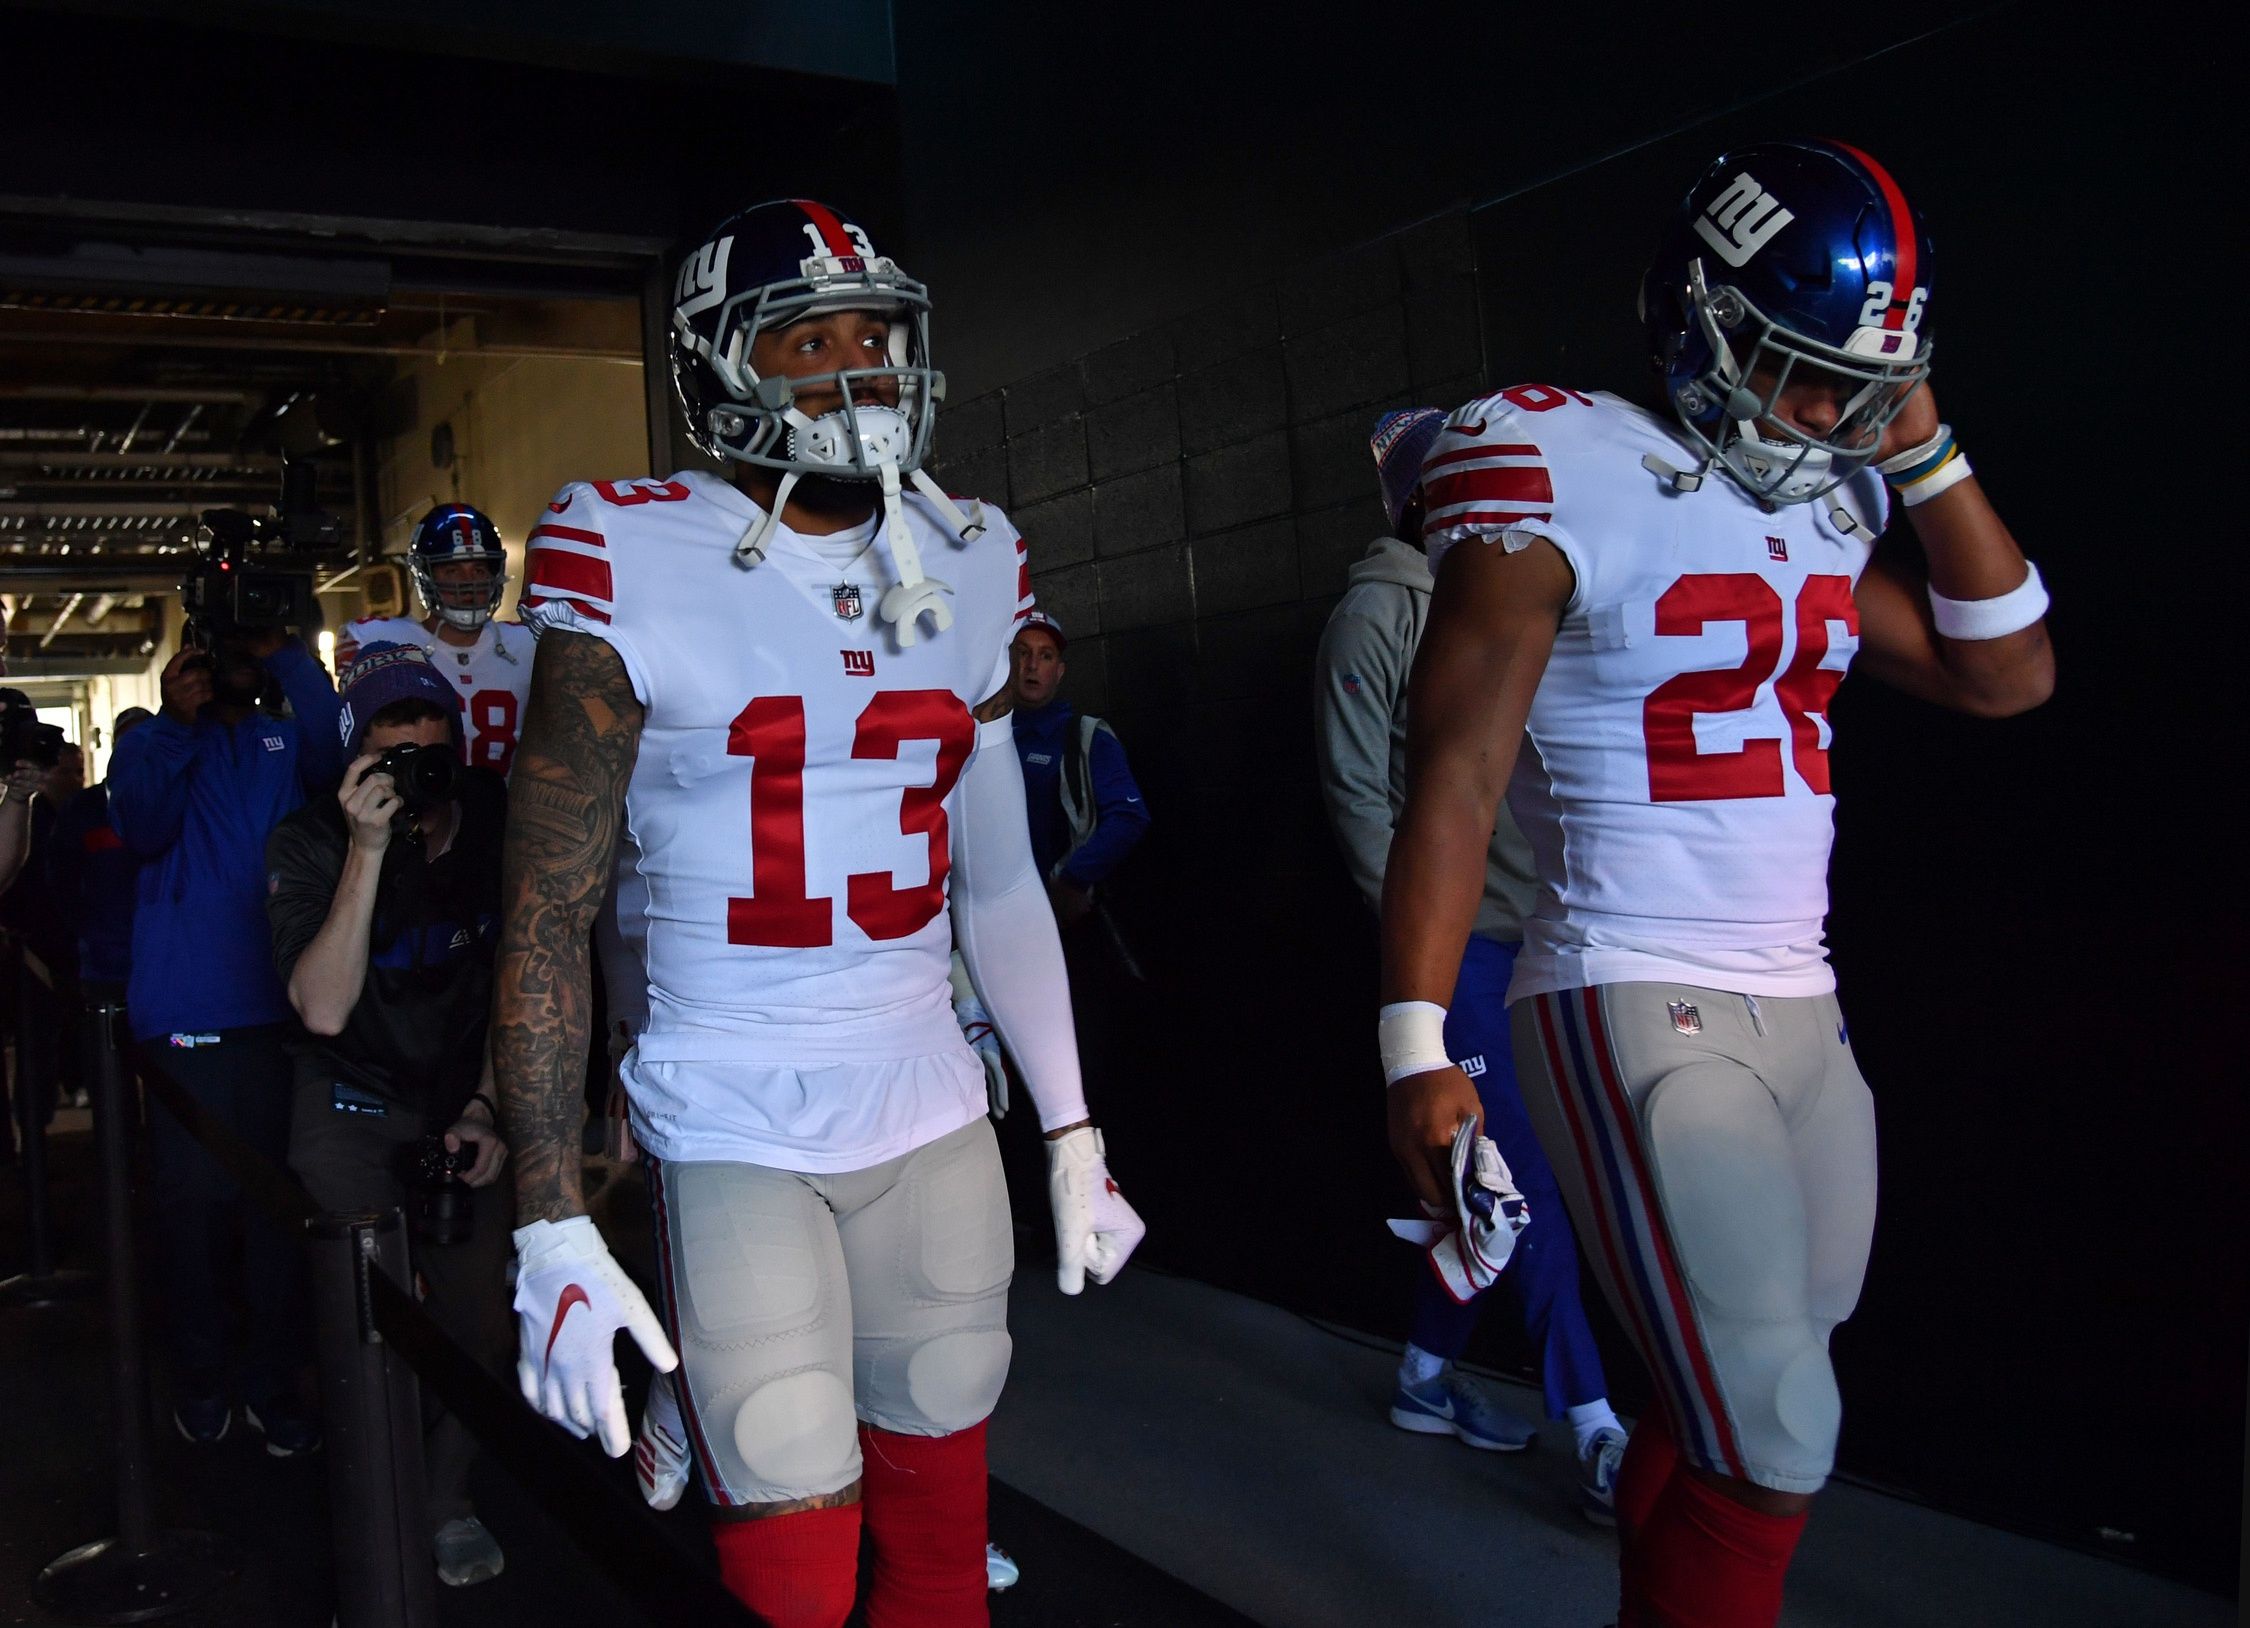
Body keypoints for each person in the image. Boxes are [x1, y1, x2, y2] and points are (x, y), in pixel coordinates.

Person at [1379, 140, 2053, 1627]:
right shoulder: (1549, 454)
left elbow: (2004, 671)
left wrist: (1921, 448)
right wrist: (1415, 1040)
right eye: (1803, 372)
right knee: (1775, 1427)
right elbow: (1457, 770)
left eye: (1858, 383)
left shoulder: (1827, 500)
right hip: (1626, 984)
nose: (1828, 413)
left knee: (1739, 1392)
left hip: (1799, 1001)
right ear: (1699, 318)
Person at [494, 198, 1144, 1628]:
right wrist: (548, 1216)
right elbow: (545, 905)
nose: (857, 365)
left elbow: (996, 877)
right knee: (790, 1474)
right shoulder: (629, 547)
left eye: (877, 332)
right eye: (808, 335)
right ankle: (705, 1396)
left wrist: (1072, 1124)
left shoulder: (967, 549)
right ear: (723, 365)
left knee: (941, 1464)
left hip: (927, 1091)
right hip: (727, 1098)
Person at [1315, 408, 1626, 1520]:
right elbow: (1359, 791)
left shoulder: (1502, 591)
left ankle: (1423, 1378)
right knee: (1522, 1181)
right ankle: (1596, 1424)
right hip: (1464, 951)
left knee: (1483, 1184)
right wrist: (1419, 967)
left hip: (1544, 930)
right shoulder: (1379, 609)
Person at [266, 643, 512, 1585]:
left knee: (485, 1323)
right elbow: (322, 1006)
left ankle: (444, 1497)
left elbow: (520, 976)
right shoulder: (308, 841)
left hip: (461, 1101)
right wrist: (369, 851)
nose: (417, 749)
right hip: (348, 1092)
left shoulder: (491, 819)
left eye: (432, 730)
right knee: (370, 1313)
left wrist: (490, 1105)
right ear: (354, 752)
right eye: (390, 735)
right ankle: (375, 1512)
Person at [108, 624, 344, 1452]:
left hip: (282, 1011)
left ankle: (274, 1383)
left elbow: (335, 746)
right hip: (190, 1018)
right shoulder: (153, 743)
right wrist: (176, 719)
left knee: (281, 1212)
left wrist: (285, 654)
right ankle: (203, 1378)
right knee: (194, 1213)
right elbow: (140, 825)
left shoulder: (284, 737)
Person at [335, 504, 534, 778]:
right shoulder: (375, 639)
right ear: (425, 575)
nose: (467, 583)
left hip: (510, 809)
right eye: (452, 570)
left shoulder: (529, 642)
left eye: (478, 569)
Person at [1006, 610, 1149, 930]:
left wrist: (1072, 880)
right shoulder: (983, 738)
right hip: (994, 920)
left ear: (1059, 672)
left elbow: (1129, 816)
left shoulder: (1086, 737)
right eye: (1022, 653)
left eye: (1045, 656)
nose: (1032, 665)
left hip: (1060, 920)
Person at [46, 707, 155, 1008]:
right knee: (108, 1045)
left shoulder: (185, 801)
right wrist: (86, 934)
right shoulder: (84, 809)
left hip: (169, 960)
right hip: (107, 965)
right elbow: (61, 879)